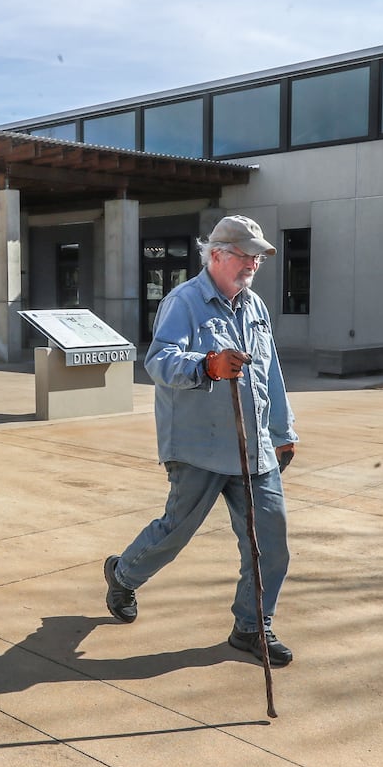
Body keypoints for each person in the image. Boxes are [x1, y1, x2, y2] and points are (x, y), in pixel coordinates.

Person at [103, 215, 298, 666]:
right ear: (215, 255)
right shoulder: (184, 302)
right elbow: (159, 360)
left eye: (257, 257)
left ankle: (252, 626)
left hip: (254, 448)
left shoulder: (255, 306)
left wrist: (283, 433)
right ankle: (123, 573)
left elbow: (271, 372)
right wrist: (208, 365)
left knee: (270, 542)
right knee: (176, 532)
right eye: (245, 255)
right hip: (199, 447)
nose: (253, 263)